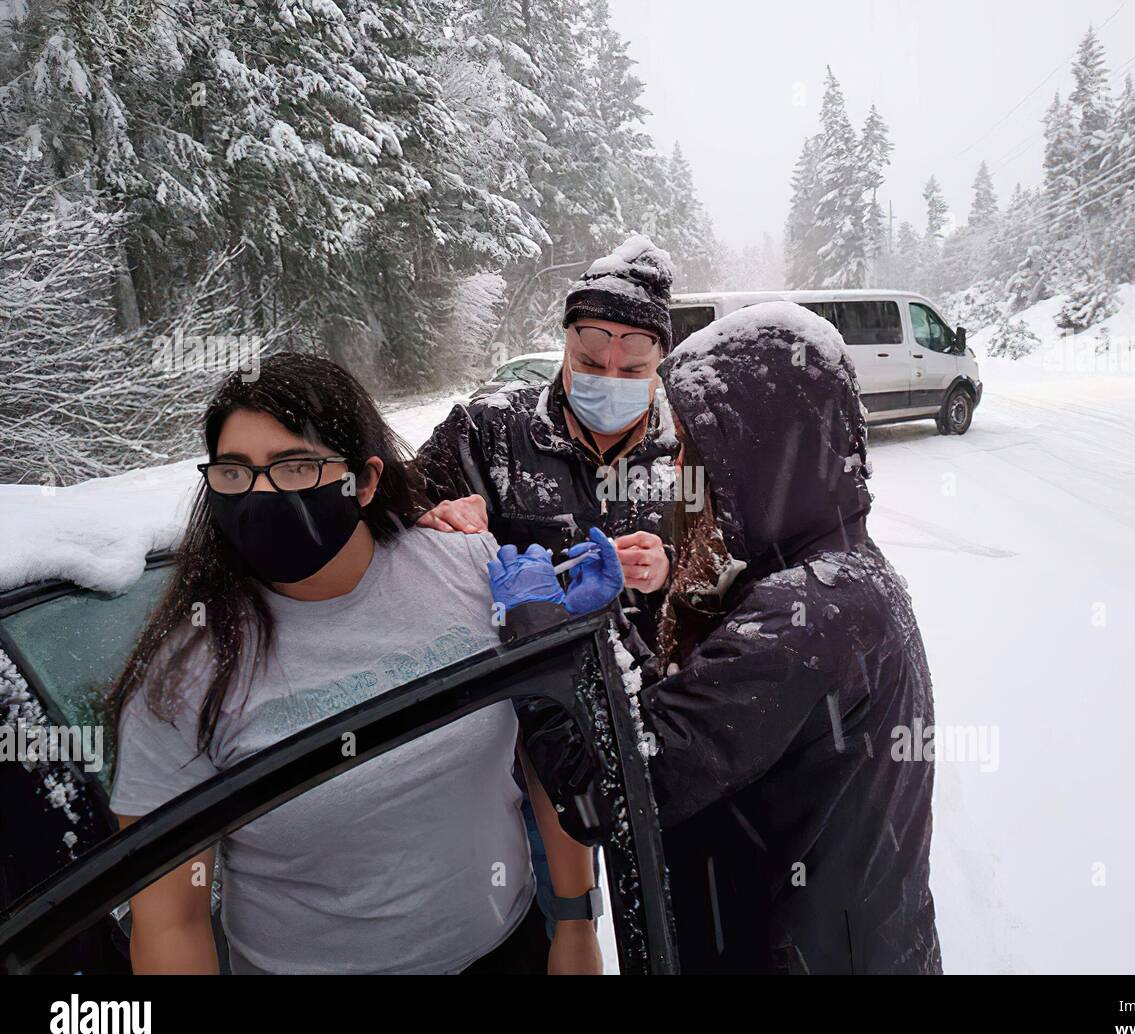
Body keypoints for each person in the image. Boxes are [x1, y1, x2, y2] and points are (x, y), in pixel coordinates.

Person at [105, 352, 602, 975]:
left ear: (364, 482)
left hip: (508, 949)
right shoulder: (185, 675)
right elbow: (171, 920)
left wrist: (576, 920)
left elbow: (541, 747)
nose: (263, 495)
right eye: (235, 473)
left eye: (296, 467)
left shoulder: (466, 568)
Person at [490, 303, 943, 974]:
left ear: (765, 455)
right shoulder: (837, 576)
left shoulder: (808, 614)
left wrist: (540, 643)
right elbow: (686, 728)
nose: (689, 486)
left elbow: (612, 796)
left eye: (707, 457)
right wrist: (603, 627)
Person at [416, 234, 682, 929]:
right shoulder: (489, 432)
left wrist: (670, 573)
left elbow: (729, 587)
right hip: (510, 744)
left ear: (661, 365)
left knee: (651, 913)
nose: (608, 380)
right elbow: (387, 523)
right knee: (549, 917)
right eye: (591, 361)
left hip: (635, 738)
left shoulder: (686, 453)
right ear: (563, 343)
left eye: (634, 368)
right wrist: (436, 515)